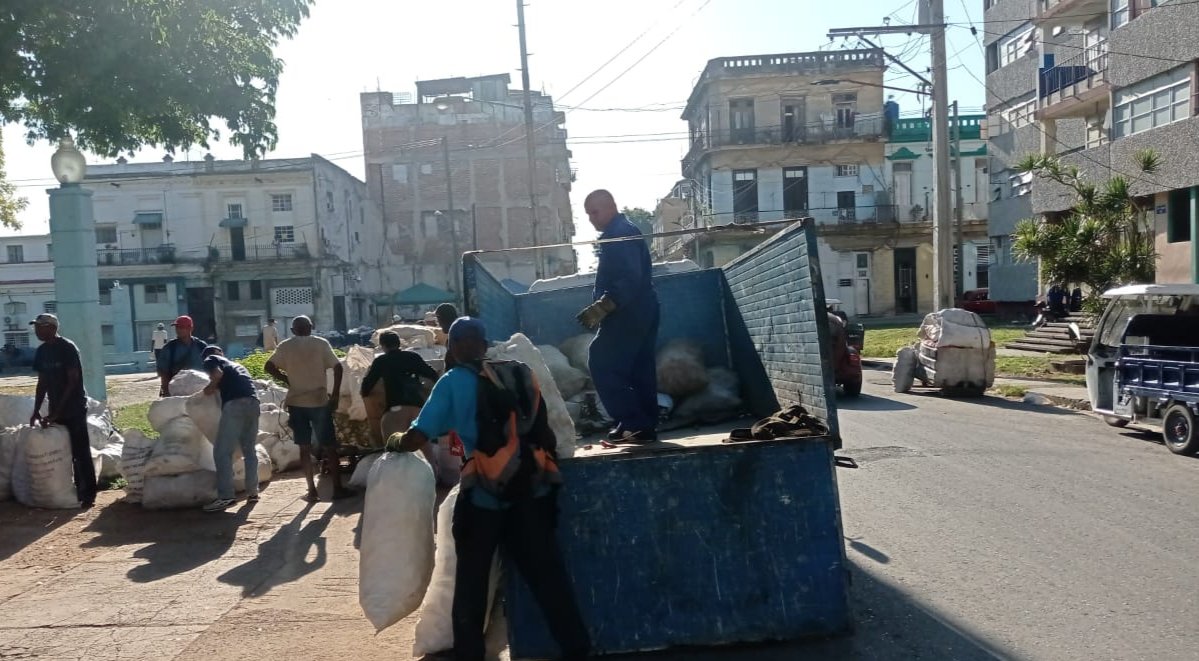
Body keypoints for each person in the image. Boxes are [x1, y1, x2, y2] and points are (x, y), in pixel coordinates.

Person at [390, 317, 590, 661]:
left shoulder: (453, 381)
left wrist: (396, 440)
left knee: (472, 581)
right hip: (532, 489)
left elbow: (417, 437)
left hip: (485, 494)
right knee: (547, 577)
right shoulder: (521, 373)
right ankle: (577, 648)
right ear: (484, 345)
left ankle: (470, 653)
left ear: (452, 348)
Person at [576, 189, 660, 444]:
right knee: (638, 369)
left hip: (628, 312)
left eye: (594, 212)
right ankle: (641, 425)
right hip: (642, 309)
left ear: (610, 206)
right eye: (588, 214)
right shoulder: (623, 230)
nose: (591, 218)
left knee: (601, 361)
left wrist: (606, 304)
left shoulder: (619, 233)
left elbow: (629, 277)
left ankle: (634, 422)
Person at [265, 315, 351, 502]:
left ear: (293, 331)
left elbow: (269, 367)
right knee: (330, 446)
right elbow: (338, 368)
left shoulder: (286, 346)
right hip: (319, 401)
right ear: (311, 328)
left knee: (304, 448)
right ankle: (337, 488)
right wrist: (335, 394)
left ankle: (312, 491)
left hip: (297, 403)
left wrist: (288, 380)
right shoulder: (321, 344)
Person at [28, 314, 96, 508]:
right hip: (56, 408)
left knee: (80, 451)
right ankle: (70, 491)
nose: (37, 331)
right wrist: (36, 410)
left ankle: (88, 494)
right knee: (63, 453)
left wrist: (59, 411)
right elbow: (42, 383)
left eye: (40, 327)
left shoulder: (67, 348)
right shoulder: (42, 351)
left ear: (52, 328)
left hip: (74, 408)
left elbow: (73, 381)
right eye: (36, 327)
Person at [200, 346, 261, 512]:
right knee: (249, 450)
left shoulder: (210, 359)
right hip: (253, 403)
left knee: (221, 452)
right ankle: (253, 492)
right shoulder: (237, 366)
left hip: (235, 405)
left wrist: (209, 388)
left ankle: (226, 496)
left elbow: (217, 375)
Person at [360, 330, 439, 430]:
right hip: (417, 408)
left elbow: (366, 386)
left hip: (395, 408)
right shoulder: (412, 357)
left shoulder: (381, 361)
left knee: (393, 443)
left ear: (383, 345)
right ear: (399, 343)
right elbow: (433, 375)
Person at [157, 315, 208, 397]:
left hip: (200, 390)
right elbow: (164, 372)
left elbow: (210, 367)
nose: (178, 330)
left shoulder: (201, 346)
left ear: (190, 329)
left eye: (181, 327)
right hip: (177, 391)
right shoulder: (170, 348)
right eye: (177, 327)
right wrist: (166, 392)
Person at [435, 303, 460, 370]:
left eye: (438, 319)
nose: (438, 324)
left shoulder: (455, 339)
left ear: (442, 318)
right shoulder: (457, 334)